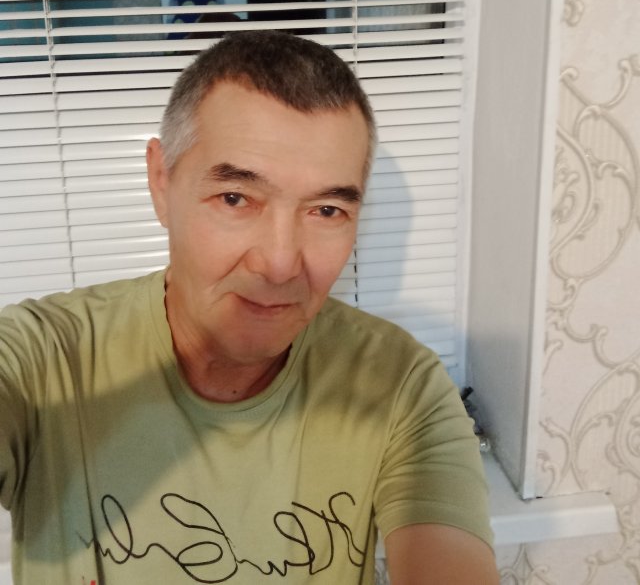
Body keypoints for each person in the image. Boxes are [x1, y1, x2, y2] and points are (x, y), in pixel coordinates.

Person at [0, 30, 499, 585]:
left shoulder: (400, 386)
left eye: (326, 210)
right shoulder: (43, 360)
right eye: (235, 198)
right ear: (162, 182)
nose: (281, 264)